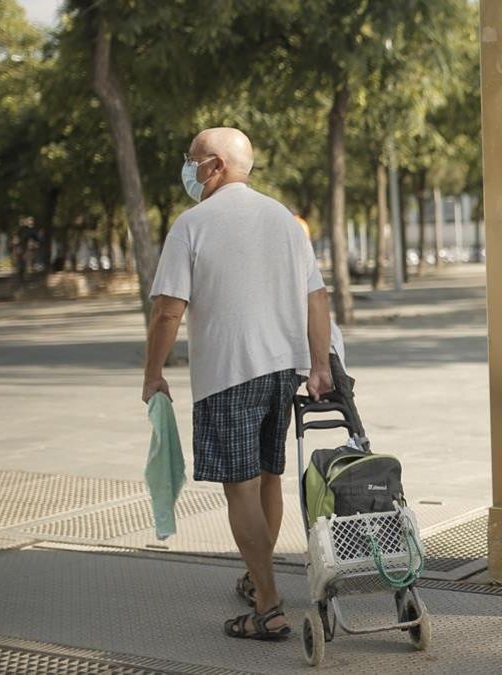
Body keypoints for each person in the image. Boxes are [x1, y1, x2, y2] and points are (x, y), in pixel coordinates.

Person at [142, 127, 332, 640]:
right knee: (269, 477)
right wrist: (319, 367)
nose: (188, 169)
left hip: (229, 371)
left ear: (214, 166)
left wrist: (153, 373)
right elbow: (317, 298)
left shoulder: (193, 224)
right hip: (281, 369)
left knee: (241, 488)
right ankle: (257, 576)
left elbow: (167, 311)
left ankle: (268, 605)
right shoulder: (285, 220)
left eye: (192, 160)